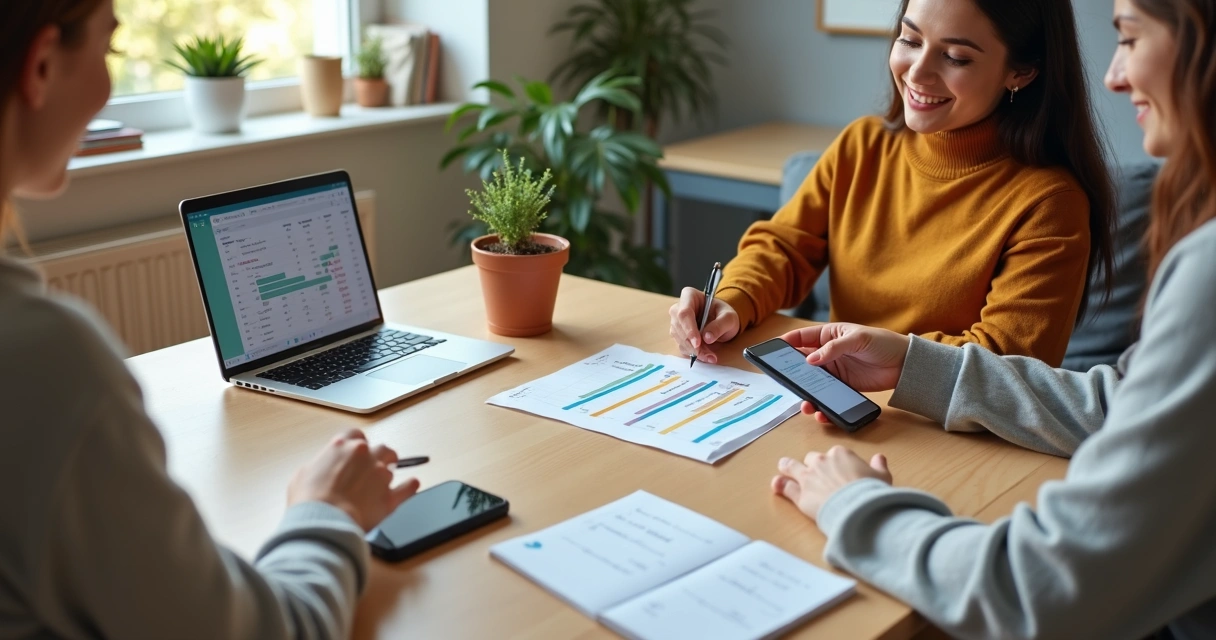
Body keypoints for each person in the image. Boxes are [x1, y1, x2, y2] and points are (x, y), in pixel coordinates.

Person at [769, 0, 1216, 636]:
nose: (1115, 76)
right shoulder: (867, 143)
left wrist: (856, 506)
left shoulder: (1187, 260)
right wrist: (913, 361)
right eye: (909, 40)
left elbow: (1045, 590)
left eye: (1130, 38)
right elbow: (1120, 403)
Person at [0, 2, 420, 638]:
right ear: (40, 65)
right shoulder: (48, 362)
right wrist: (326, 510)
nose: (109, 82)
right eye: (110, 52)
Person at [670, 0, 1116, 368]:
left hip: (944, 438)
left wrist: (889, 359)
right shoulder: (863, 145)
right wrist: (733, 300)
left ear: (1022, 72)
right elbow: (784, 247)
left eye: (956, 57)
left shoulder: (1049, 203)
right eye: (910, 39)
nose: (917, 73)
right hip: (832, 398)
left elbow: (1008, 364)